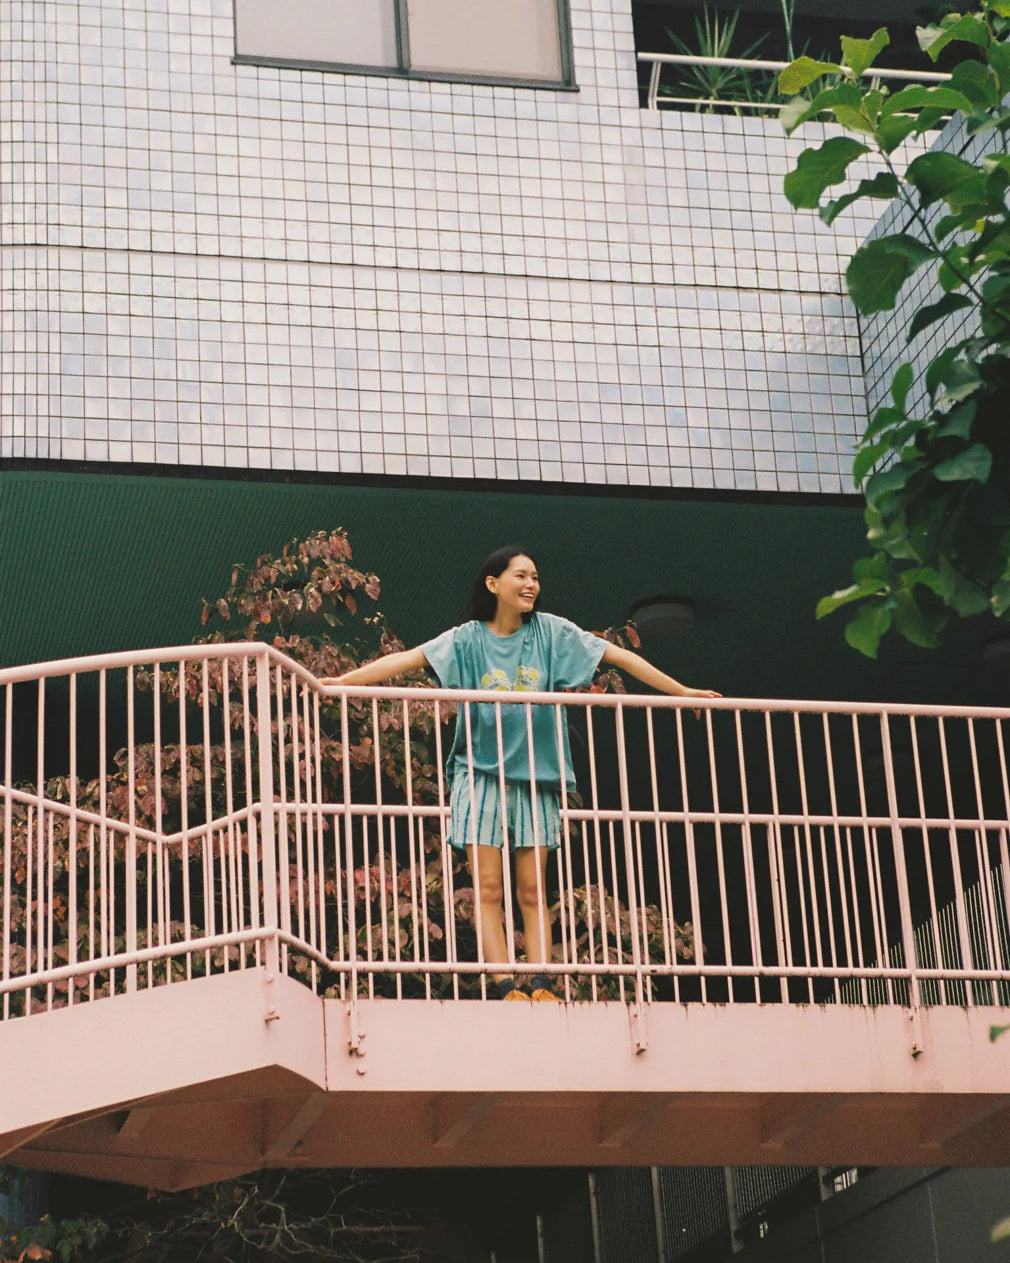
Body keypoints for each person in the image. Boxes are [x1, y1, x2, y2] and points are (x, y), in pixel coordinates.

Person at [321, 546, 721, 1002]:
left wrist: (681, 691)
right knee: (488, 887)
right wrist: (341, 681)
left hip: (537, 775)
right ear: (493, 584)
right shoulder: (468, 639)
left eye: (535, 577)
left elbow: (621, 658)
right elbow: (409, 660)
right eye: (521, 576)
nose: (531, 584)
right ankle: (506, 984)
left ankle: (542, 983)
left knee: (532, 887)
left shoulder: (551, 633)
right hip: (479, 772)